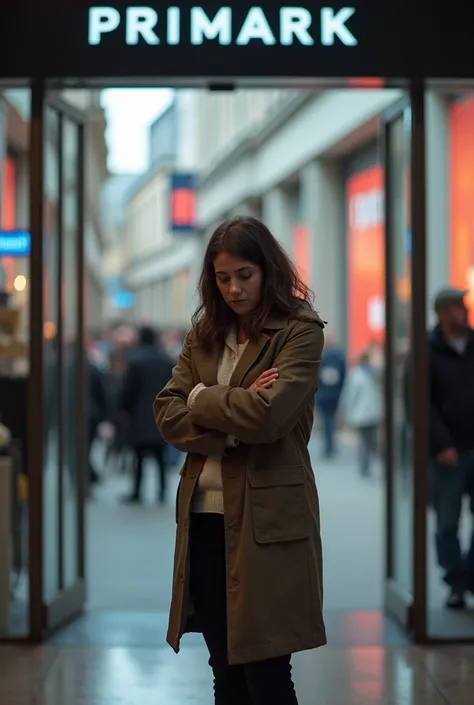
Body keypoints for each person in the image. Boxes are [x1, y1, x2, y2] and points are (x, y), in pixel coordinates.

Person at [154, 216, 326, 705]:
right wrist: (232, 412)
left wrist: (204, 395)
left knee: (267, 671)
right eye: (222, 277)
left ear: (267, 270)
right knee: (223, 667)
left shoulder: (299, 331)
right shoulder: (204, 334)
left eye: (244, 275)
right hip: (204, 520)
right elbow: (167, 413)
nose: (233, 288)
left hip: (266, 521)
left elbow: (269, 418)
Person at [429, 287, 474, 609]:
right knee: (447, 522)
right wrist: (441, 444)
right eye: (457, 307)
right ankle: (456, 580)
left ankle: (470, 576)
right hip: (448, 452)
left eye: (464, 306)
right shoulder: (428, 351)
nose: (463, 312)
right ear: (442, 312)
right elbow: (421, 404)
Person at [121, 326, 174, 504]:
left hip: (140, 415)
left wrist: (125, 410)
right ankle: (162, 490)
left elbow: (128, 390)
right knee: (160, 456)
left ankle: (137, 491)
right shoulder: (166, 360)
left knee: (138, 456)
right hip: (162, 414)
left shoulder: (135, 360)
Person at [342, 350, 383, 476]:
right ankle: (368, 464)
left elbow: (350, 396)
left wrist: (348, 413)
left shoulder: (356, 375)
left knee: (366, 441)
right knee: (369, 440)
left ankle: (366, 466)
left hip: (362, 414)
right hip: (371, 413)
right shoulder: (372, 374)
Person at [315, 333, 346, 457]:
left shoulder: (322, 357)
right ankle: (330, 445)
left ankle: (329, 445)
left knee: (327, 420)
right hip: (334, 394)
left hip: (324, 394)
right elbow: (343, 376)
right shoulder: (339, 357)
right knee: (330, 419)